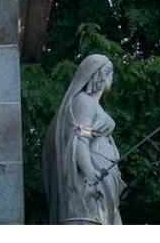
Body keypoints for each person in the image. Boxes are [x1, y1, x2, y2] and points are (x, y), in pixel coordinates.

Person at [42, 54, 124, 225]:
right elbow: (79, 140)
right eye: (110, 73)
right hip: (93, 173)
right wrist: (89, 171)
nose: (112, 78)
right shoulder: (83, 102)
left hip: (103, 168)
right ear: (101, 75)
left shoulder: (93, 104)